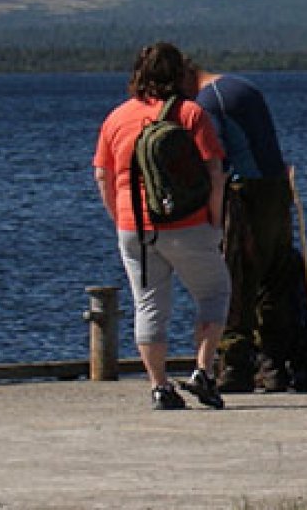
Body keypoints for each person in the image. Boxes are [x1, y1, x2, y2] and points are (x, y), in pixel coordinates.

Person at [92, 42, 230, 411]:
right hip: (188, 224)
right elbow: (215, 174)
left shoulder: (116, 118)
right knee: (214, 293)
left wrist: (118, 218)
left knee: (149, 306)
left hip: (133, 226)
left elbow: (103, 176)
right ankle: (202, 370)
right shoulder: (191, 114)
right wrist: (216, 220)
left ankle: (159, 386)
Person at [186, 61, 304, 394]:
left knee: (237, 277)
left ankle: (235, 366)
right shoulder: (245, 88)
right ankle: (273, 364)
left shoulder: (209, 102)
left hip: (245, 194)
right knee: (276, 276)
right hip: (276, 190)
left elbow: (218, 160)